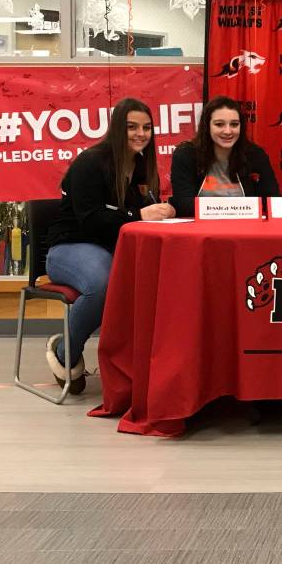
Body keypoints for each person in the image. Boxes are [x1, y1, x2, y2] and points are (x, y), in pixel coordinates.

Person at [45, 97, 175, 394]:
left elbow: (132, 210)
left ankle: (136, 368)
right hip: (68, 248)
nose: (140, 134)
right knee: (105, 284)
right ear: (117, 128)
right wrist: (139, 214)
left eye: (146, 128)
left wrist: (162, 210)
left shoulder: (139, 165)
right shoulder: (90, 163)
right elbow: (90, 220)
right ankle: (65, 352)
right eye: (131, 127)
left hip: (106, 249)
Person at [170, 95, 281, 216]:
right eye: (219, 124)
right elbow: (183, 204)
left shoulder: (255, 155)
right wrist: (238, 209)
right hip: (200, 230)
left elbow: (273, 201)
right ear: (207, 127)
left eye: (234, 124)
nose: (228, 131)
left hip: (245, 228)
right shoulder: (186, 154)